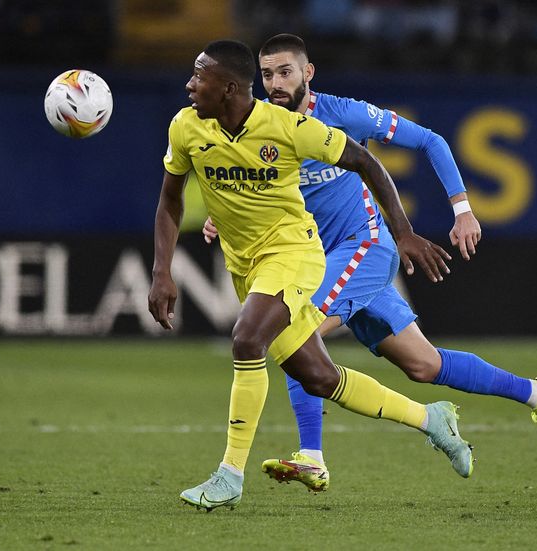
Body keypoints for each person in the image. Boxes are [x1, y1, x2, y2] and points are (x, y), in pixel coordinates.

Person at [202, 34, 537, 493]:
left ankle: (312, 456)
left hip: (364, 246)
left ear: (308, 73)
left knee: (294, 329)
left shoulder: (342, 114)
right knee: (425, 365)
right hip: (317, 256)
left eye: (285, 72)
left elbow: (431, 140)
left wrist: (462, 209)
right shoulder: (262, 125)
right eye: (268, 74)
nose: (275, 83)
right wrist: (221, 215)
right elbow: (256, 182)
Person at [149, 39, 474, 512]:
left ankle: (229, 475)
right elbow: (170, 200)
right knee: (320, 377)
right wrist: (162, 271)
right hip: (246, 264)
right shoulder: (186, 127)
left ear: (228, 88)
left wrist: (402, 233)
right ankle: (431, 419)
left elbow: (367, 161)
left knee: (246, 341)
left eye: (200, 76)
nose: (189, 84)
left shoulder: (286, 127)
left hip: (294, 253)